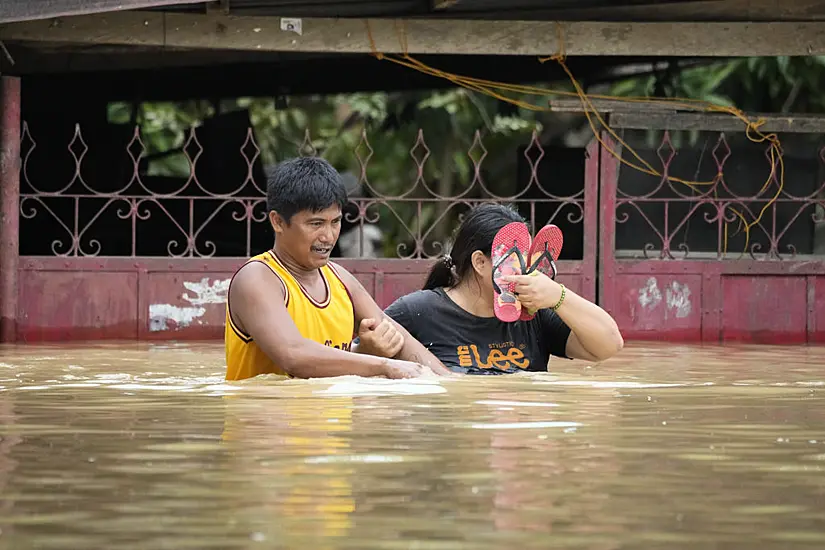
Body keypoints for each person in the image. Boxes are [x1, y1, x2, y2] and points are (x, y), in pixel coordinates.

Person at [224, 156, 453, 381]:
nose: (329, 236)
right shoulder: (257, 278)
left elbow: (396, 336)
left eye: (335, 222)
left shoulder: (340, 279)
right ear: (278, 222)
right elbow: (293, 355)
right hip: (264, 416)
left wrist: (450, 380)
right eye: (316, 224)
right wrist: (384, 365)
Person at [383, 204, 624, 374]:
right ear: (479, 262)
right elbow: (358, 355)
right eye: (514, 257)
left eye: (528, 257)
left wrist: (558, 296)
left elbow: (609, 346)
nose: (526, 268)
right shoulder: (418, 311)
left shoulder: (534, 315)